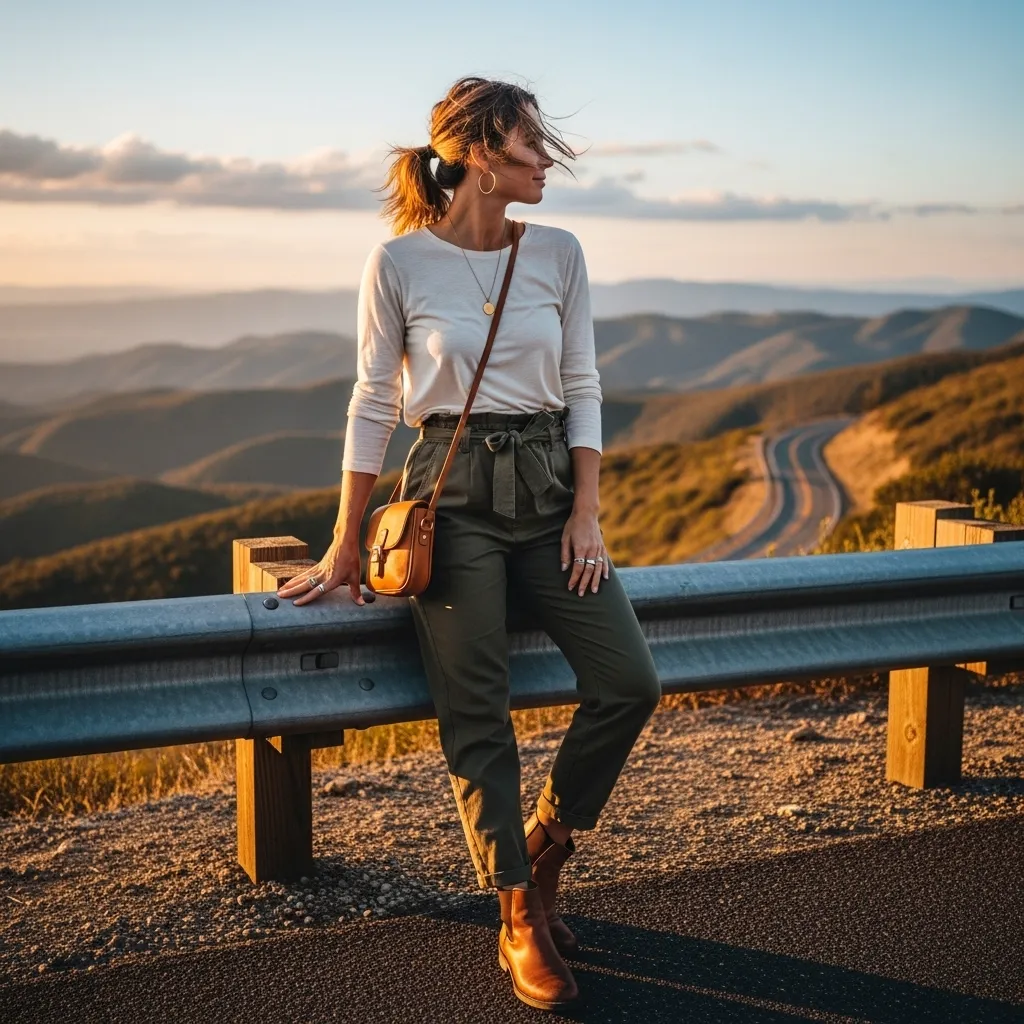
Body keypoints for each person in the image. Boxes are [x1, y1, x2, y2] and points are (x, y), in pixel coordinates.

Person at [277, 74, 662, 1012]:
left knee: (629, 682)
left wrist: (587, 511)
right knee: (476, 708)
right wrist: (342, 543)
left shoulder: (560, 253)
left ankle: (543, 848)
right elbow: (374, 400)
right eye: (532, 146)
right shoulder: (400, 263)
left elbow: (583, 383)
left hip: (550, 489)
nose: (548, 163)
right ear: (483, 156)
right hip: (453, 494)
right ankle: (517, 913)